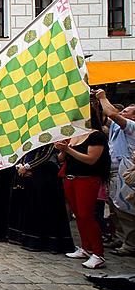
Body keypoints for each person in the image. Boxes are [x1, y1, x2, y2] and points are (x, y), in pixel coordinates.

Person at [55, 96, 111, 269]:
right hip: (71, 177)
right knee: (78, 215)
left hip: (87, 179)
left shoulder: (96, 136)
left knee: (87, 215)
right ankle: (86, 247)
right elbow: (61, 158)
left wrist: (68, 149)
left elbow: (91, 160)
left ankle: (98, 253)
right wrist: (62, 150)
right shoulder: (73, 135)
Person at [95, 89, 135, 256]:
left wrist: (103, 97)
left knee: (127, 209)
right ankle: (120, 237)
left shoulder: (131, 126)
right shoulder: (117, 129)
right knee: (115, 209)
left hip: (126, 173)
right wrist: (95, 104)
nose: (122, 111)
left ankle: (131, 244)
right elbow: (101, 119)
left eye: (127, 110)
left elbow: (111, 113)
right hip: (113, 173)